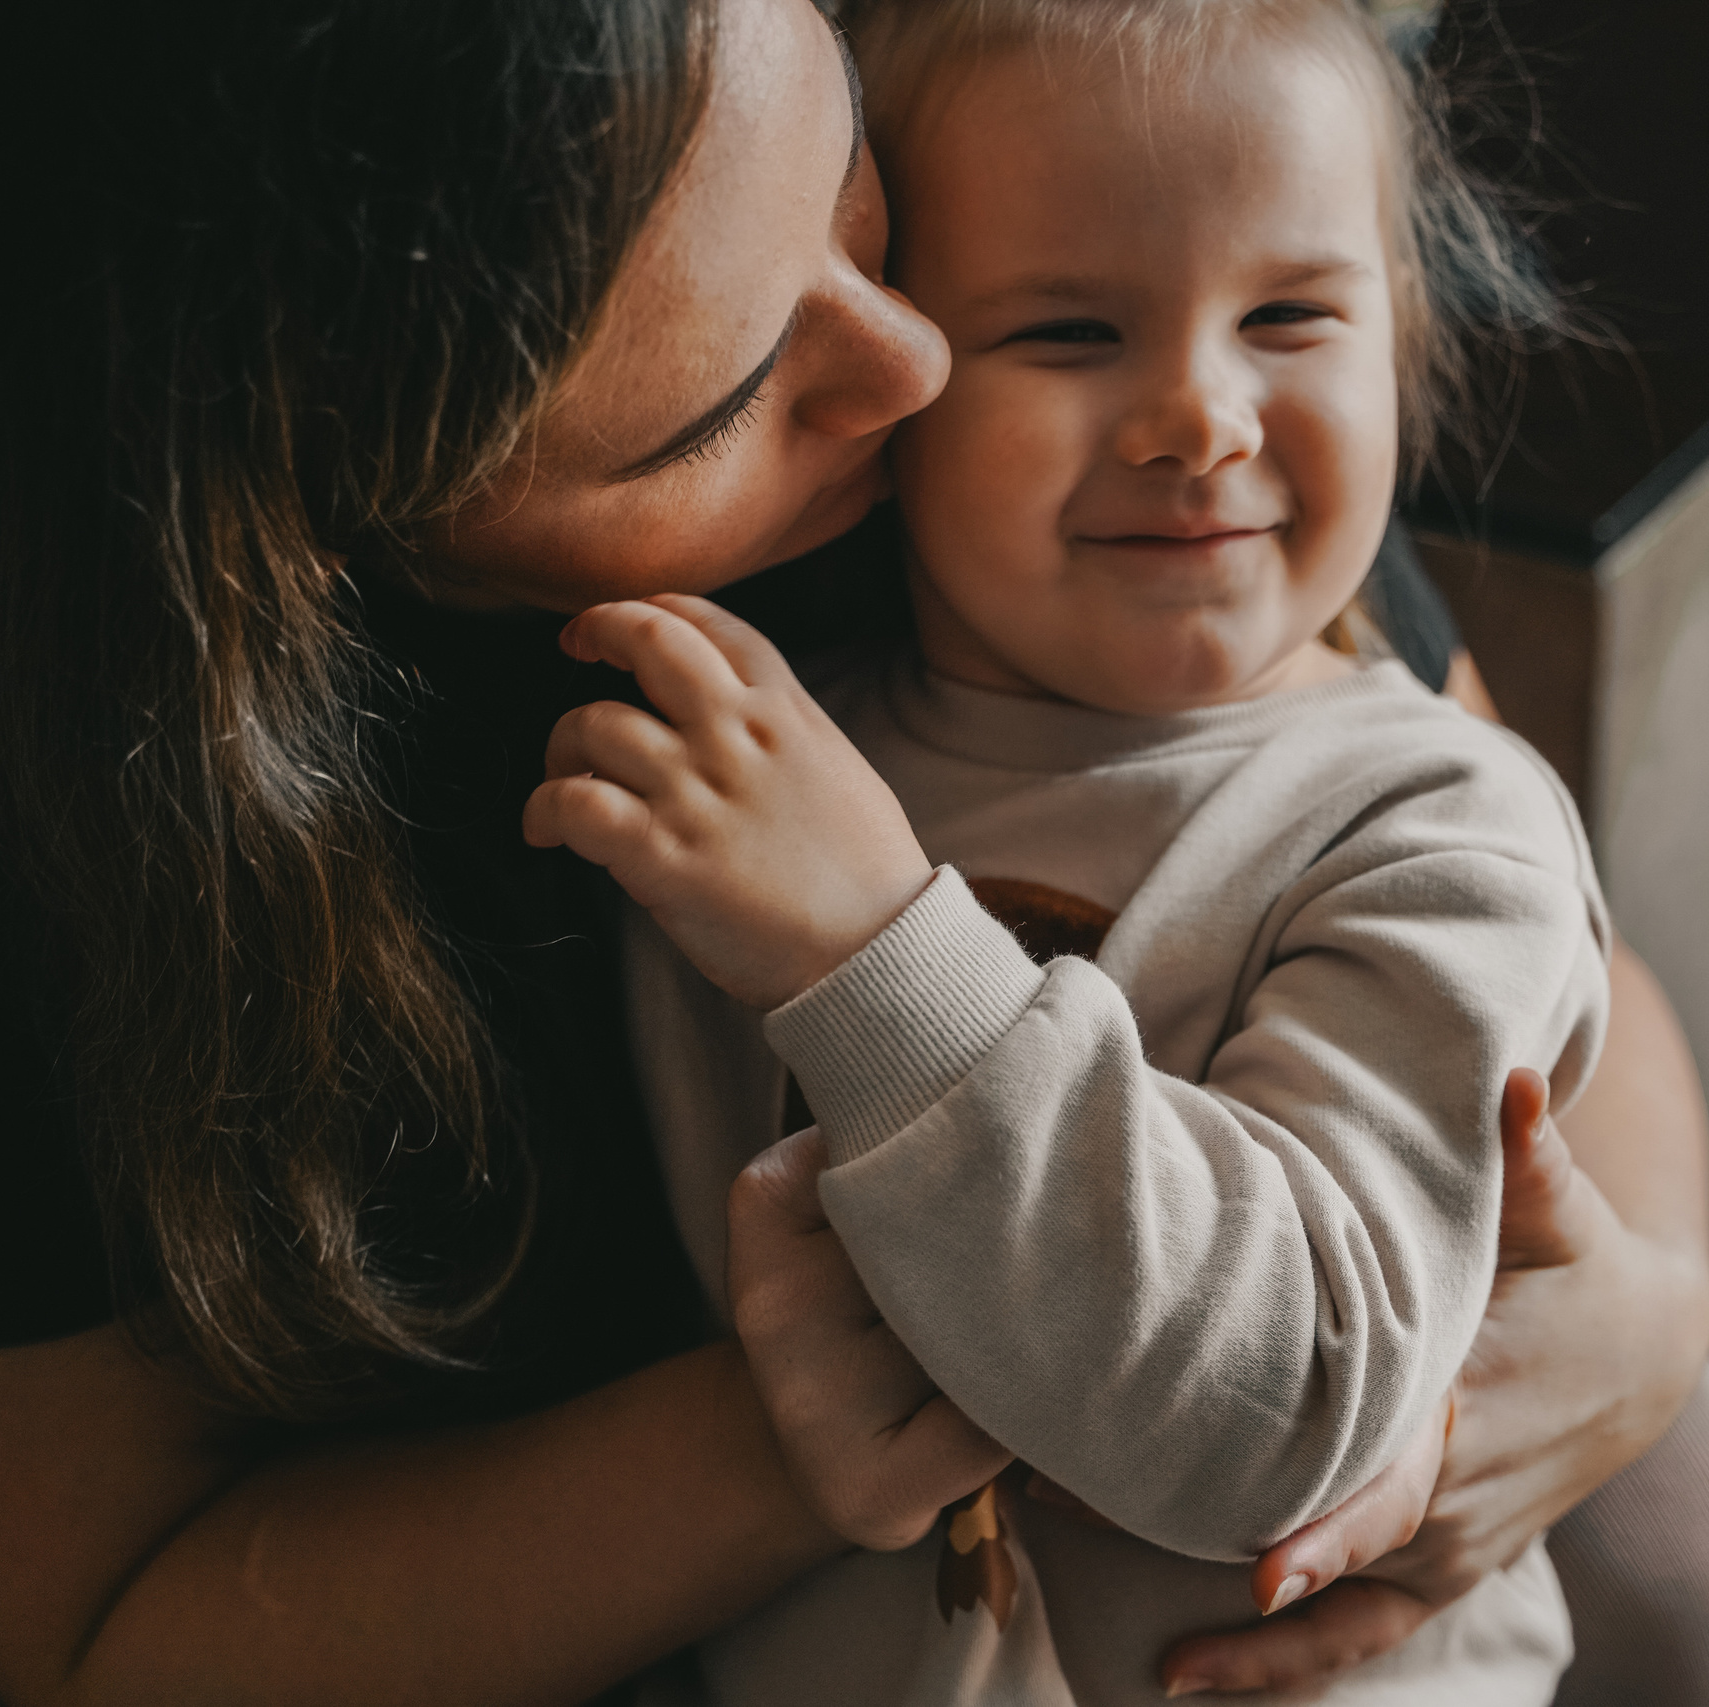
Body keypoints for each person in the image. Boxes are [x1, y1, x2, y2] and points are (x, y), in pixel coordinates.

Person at [0, 2, 1709, 1704]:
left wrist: (1638, 1315)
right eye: (726, 401)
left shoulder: (1047, 266)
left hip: (1241, 1354)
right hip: (581, 1512)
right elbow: (111, 1620)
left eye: (859, 202)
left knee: (1698, 1541)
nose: (911, 366)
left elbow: (1507, 910)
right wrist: (778, 1438)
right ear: (323, 524)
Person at [535, 0, 1608, 1699]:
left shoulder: (1446, 833)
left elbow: (1297, 1424)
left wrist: (875, 956)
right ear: (886, 379)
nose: (1201, 415)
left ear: (1399, 341)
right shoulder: (746, 761)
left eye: (1289, 314)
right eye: (1068, 331)